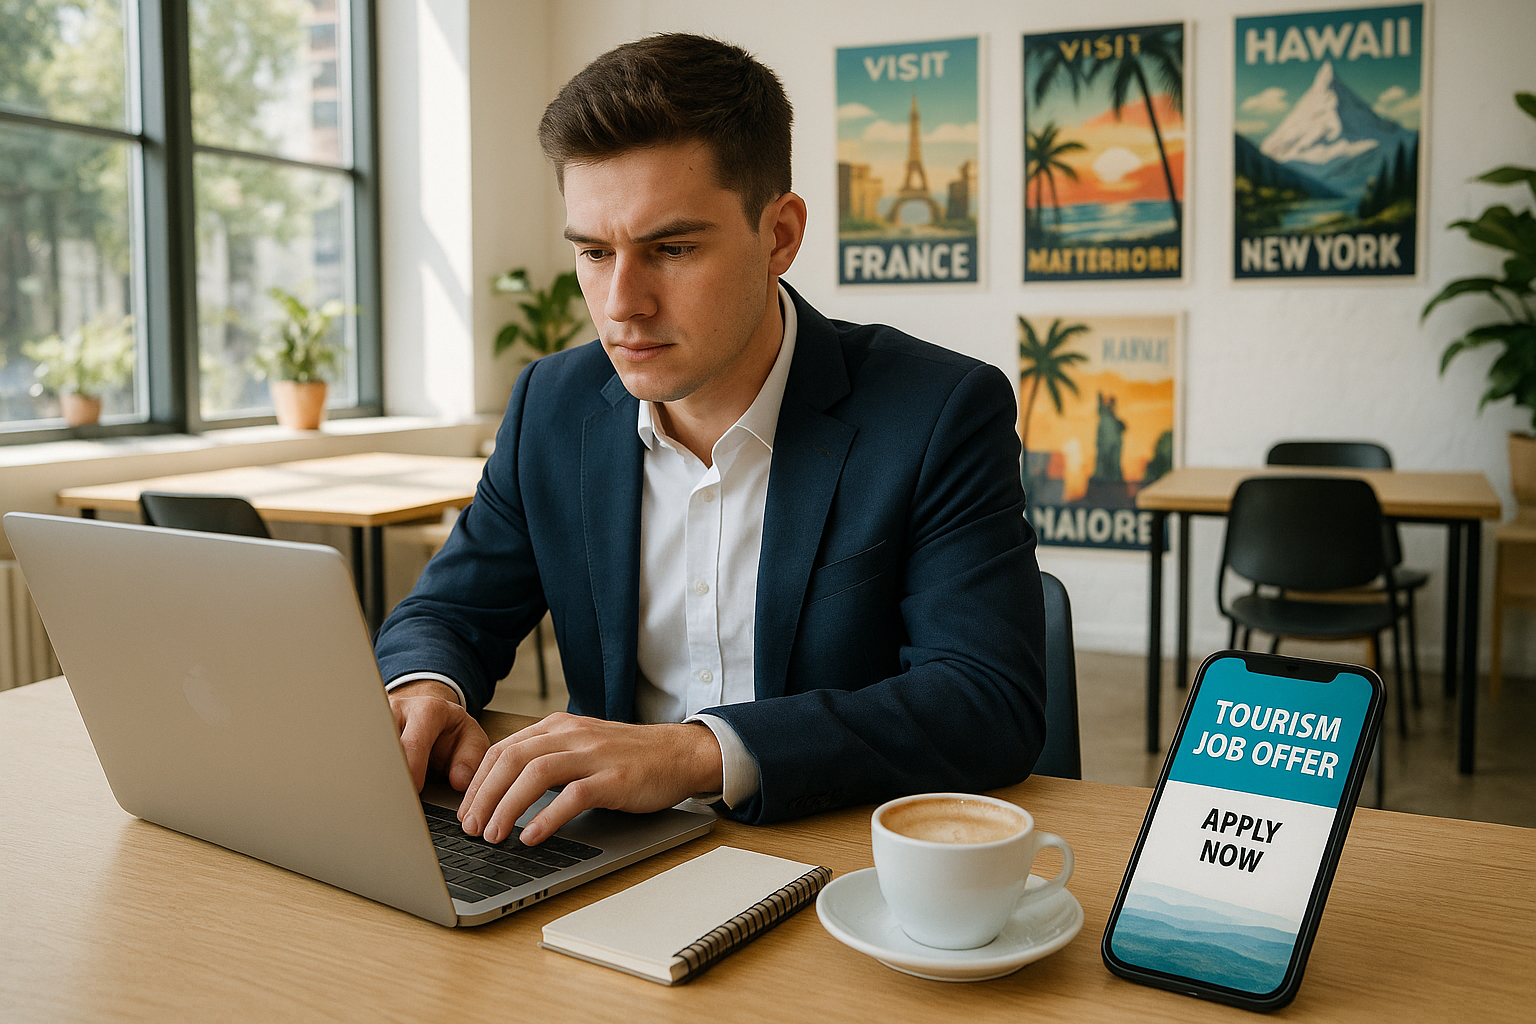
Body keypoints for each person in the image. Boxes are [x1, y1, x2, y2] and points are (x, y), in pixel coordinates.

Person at [375, 32, 1047, 847]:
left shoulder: (939, 409)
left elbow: (986, 701)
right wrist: (425, 689)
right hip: (605, 857)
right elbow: (449, 609)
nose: (622, 303)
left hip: (836, 859)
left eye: (672, 249)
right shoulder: (551, 406)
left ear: (780, 236)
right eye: (593, 251)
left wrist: (697, 753)